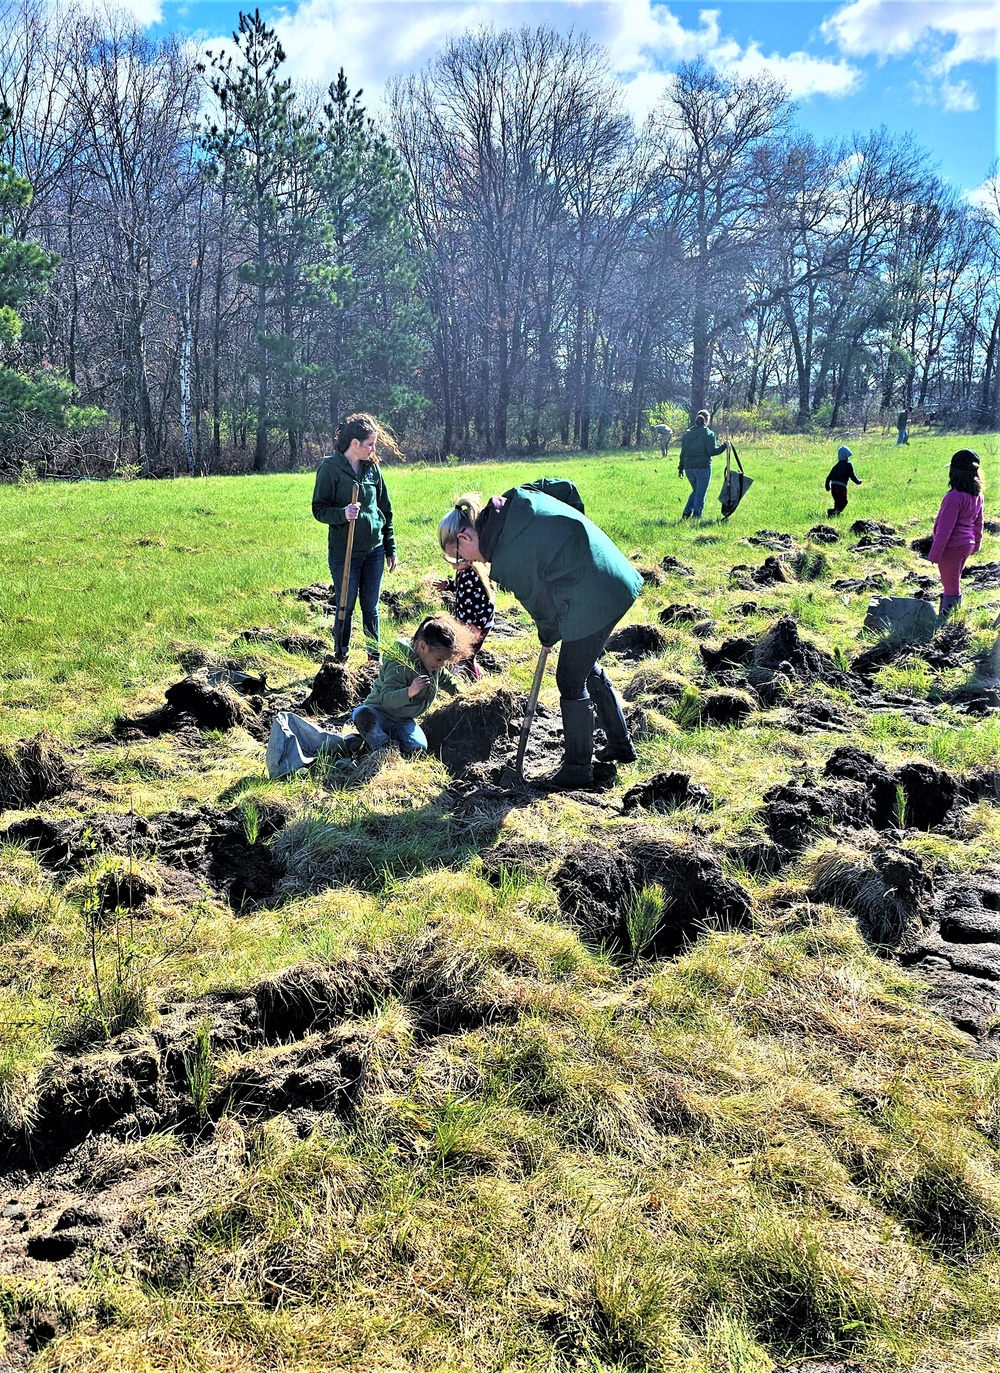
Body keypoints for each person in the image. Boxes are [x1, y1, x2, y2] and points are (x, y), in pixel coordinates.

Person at [437, 489, 643, 790]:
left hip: (596, 592)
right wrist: (573, 532)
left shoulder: (507, 556)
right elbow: (563, 487)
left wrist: (548, 635)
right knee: (583, 665)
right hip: (608, 573)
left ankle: (577, 768)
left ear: (465, 539)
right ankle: (620, 744)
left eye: (456, 557)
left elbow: (540, 604)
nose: (459, 565)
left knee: (570, 680)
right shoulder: (515, 501)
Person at [312, 413, 400, 662]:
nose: (373, 449)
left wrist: (390, 546)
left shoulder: (372, 469)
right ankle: (340, 656)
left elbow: (386, 509)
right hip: (345, 553)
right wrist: (342, 513)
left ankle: (374, 658)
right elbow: (319, 509)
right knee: (345, 606)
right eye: (370, 444)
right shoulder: (330, 469)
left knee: (370, 608)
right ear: (354, 444)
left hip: (374, 550)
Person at [352, 614, 473, 756]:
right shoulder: (399, 662)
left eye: (444, 662)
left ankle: (378, 743)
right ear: (422, 646)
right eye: (439, 659)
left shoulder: (432, 664)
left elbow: (447, 680)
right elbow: (386, 699)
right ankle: (380, 747)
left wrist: (463, 695)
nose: (441, 665)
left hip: (403, 721)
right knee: (363, 716)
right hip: (379, 714)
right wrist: (409, 692)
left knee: (418, 747)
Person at [928, 449, 983, 616]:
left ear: (954, 473)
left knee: (950, 586)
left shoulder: (953, 498)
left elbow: (945, 529)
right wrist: (977, 544)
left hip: (951, 547)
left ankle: (949, 619)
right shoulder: (977, 495)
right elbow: (979, 523)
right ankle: (950, 615)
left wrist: (935, 553)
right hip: (967, 544)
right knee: (954, 581)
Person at [432, 548, 495, 680]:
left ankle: (475, 681)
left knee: (467, 656)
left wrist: (477, 625)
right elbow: (459, 586)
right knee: (465, 654)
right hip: (465, 622)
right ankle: (477, 676)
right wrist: (447, 585)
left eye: (457, 563)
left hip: (478, 625)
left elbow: (489, 605)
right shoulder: (463, 572)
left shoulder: (477, 576)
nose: (453, 566)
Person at [677, 410, 728, 518]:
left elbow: (683, 452)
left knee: (696, 491)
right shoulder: (708, 434)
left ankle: (686, 513)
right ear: (707, 420)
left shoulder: (687, 434)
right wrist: (724, 446)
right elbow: (711, 452)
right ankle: (696, 516)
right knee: (700, 493)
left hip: (689, 468)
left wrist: (681, 468)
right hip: (703, 468)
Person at [825, 445, 862, 516]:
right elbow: (852, 475)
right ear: (846, 455)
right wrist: (858, 482)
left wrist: (827, 486)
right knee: (844, 501)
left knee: (837, 501)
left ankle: (834, 513)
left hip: (833, 486)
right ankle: (834, 512)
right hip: (841, 487)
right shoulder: (848, 465)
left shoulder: (836, 466)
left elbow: (829, 477)